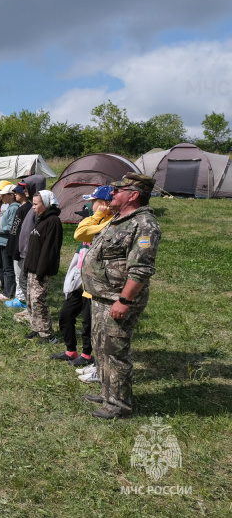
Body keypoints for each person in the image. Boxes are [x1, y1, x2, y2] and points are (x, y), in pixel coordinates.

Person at [81, 173, 161, 419]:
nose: (112, 193)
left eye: (118, 189)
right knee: (101, 346)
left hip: (118, 298)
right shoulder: (119, 218)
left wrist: (124, 301)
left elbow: (141, 270)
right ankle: (108, 393)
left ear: (133, 195)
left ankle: (119, 405)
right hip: (102, 296)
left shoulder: (144, 224)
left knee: (115, 351)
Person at [51, 185, 114, 365]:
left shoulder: (109, 222)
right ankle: (71, 350)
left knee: (88, 323)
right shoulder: (96, 220)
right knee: (65, 315)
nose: (90, 205)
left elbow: (80, 233)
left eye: (93, 202)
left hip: (95, 282)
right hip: (81, 279)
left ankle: (87, 355)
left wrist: (96, 216)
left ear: (102, 204)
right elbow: (80, 234)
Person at [23, 190, 63, 344]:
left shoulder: (53, 221)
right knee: (31, 300)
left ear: (46, 204)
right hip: (32, 267)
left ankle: (47, 334)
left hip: (41, 269)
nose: (33, 207)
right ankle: (36, 328)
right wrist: (28, 266)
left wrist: (41, 270)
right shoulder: (40, 219)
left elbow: (49, 249)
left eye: (35, 204)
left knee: (39, 300)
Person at [12, 174, 46, 323]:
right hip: (25, 250)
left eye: (27, 188)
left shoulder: (39, 208)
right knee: (24, 280)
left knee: (27, 282)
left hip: (31, 252)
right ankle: (29, 308)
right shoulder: (33, 206)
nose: (24, 190)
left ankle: (32, 311)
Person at [4, 184, 31, 309]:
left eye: (17, 192)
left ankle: (22, 299)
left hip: (20, 246)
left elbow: (23, 230)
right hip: (14, 242)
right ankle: (18, 296)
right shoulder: (20, 207)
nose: (15, 194)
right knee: (16, 272)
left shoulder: (27, 208)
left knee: (20, 274)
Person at [0, 184, 19, 301]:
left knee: (8, 268)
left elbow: (11, 227)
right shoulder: (9, 206)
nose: (1, 197)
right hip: (3, 240)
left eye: (4, 195)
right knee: (5, 267)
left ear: (11, 195)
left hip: (6, 241)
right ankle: (6, 289)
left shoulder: (13, 208)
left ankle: (8, 293)